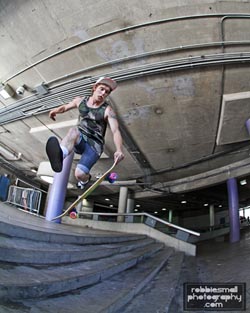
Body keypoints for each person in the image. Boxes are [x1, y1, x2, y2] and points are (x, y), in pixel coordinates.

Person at [46, 77, 124, 188]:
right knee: (73, 130)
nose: (103, 93)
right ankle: (60, 156)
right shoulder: (80, 101)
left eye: (106, 92)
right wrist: (55, 111)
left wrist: (119, 150)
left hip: (94, 146)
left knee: (79, 174)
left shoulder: (107, 111)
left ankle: (85, 180)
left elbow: (116, 131)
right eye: (101, 89)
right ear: (94, 88)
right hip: (80, 139)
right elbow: (65, 107)